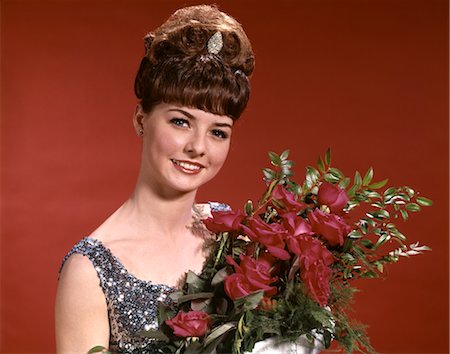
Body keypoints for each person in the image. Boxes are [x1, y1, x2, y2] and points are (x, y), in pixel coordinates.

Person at [55, 4, 254, 353]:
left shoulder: (231, 237)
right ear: (141, 119)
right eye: (180, 121)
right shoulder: (88, 272)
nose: (197, 147)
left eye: (218, 132)